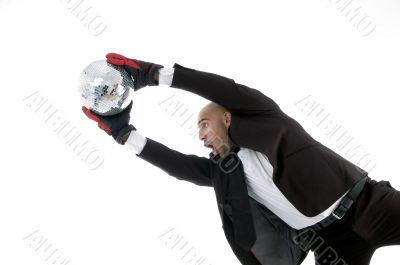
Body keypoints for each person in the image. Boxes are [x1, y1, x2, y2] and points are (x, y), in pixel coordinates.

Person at [82, 53, 400, 265]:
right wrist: (125, 135)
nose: (201, 135)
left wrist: (155, 75)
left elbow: (224, 88)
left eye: (204, 125)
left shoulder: (268, 120)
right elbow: (180, 167)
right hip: (330, 242)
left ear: (228, 119)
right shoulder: (226, 172)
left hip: (370, 205)